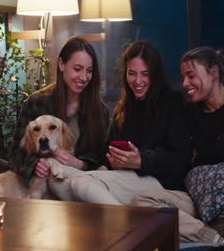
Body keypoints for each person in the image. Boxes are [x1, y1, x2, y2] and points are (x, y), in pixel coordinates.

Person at [131, 46, 224, 244]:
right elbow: (185, 159)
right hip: (199, 197)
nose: (185, 83)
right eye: (183, 77)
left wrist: (200, 156)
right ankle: (215, 240)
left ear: (214, 73)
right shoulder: (189, 111)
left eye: (191, 76)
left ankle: (196, 235)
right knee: (140, 203)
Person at [0, 36, 109, 190]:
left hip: (73, 182)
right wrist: (34, 166)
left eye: (89, 71)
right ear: (61, 64)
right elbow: (16, 153)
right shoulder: (38, 102)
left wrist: (80, 164)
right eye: (77, 69)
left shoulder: (99, 111)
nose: (84, 77)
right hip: (34, 179)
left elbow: (103, 160)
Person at [45, 40, 190, 204]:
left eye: (145, 74)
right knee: (56, 178)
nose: (137, 80)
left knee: (81, 183)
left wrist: (141, 161)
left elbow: (180, 159)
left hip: (158, 180)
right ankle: (107, 206)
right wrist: (114, 161)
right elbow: (105, 153)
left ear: (155, 75)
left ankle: (121, 221)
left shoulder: (172, 102)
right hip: (123, 176)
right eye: (132, 73)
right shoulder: (126, 106)